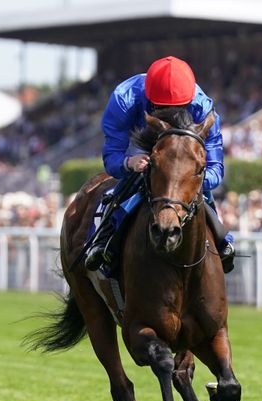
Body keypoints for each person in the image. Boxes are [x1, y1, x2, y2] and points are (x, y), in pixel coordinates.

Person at [84, 56, 235, 273]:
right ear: (149, 98)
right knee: (134, 179)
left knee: (199, 184)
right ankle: (104, 237)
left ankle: (223, 240)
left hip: (183, 155)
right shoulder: (124, 98)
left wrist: (187, 177)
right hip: (141, 147)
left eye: (178, 108)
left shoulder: (202, 107)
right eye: (163, 108)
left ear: (189, 101)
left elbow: (215, 169)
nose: (171, 115)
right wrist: (129, 162)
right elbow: (111, 157)